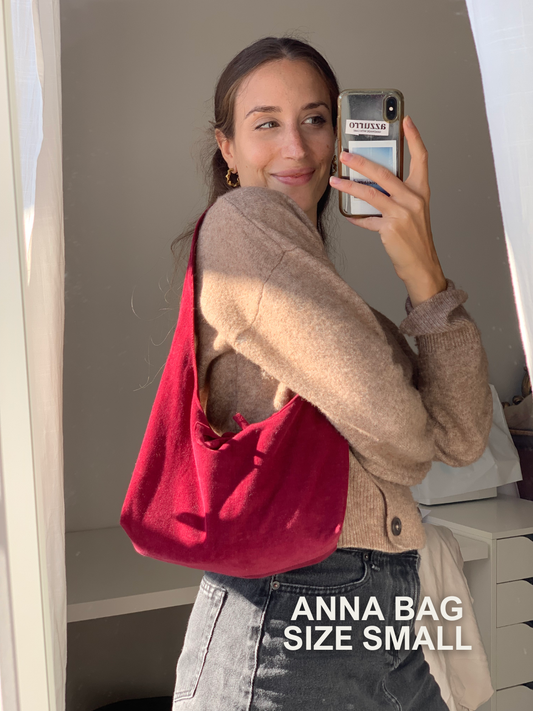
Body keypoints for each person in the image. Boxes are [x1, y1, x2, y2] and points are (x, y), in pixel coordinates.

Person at [170, 36, 493, 710]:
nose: (296, 146)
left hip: (381, 620)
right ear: (227, 148)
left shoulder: (346, 312)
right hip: (286, 626)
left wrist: (423, 271)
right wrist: (407, 432)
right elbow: (408, 442)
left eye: (315, 119)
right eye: (266, 123)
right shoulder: (240, 222)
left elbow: (462, 438)